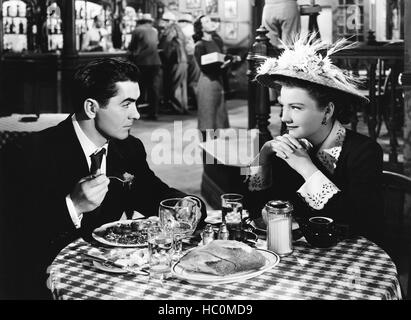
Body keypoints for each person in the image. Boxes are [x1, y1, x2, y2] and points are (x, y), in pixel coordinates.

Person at [0, 58, 206, 299]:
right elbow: (14, 234)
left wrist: (185, 204)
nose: (137, 114)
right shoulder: (31, 152)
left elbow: (152, 193)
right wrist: (73, 205)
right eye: (126, 104)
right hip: (46, 280)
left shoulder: (129, 148)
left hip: (113, 277)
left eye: (136, 103)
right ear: (91, 107)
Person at [244, 34, 384, 244]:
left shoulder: (364, 152)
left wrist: (306, 168)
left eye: (296, 108)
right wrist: (262, 157)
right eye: (283, 106)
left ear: (327, 111)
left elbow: (358, 223)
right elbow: (251, 210)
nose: (284, 117)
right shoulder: (287, 148)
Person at [193, 15, 233, 140]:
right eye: (206, 21)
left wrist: (228, 61)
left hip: (218, 82)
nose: (210, 23)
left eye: (210, 20)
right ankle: (206, 151)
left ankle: (214, 150)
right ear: (201, 27)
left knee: (217, 118)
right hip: (207, 82)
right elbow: (205, 68)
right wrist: (222, 66)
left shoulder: (217, 41)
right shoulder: (200, 45)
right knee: (207, 119)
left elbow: (222, 58)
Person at [128, 13, 162, 120]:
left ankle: (135, 111)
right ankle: (153, 112)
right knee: (153, 88)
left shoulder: (137, 30)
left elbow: (132, 46)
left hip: (142, 62)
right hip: (155, 62)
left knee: (138, 87)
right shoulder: (155, 30)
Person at [159, 11, 189, 115]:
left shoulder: (171, 28)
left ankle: (177, 108)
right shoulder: (178, 28)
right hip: (183, 60)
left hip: (176, 60)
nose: (164, 23)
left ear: (170, 21)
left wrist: (159, 46)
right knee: (182, 85)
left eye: (165, 21)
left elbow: (165, 42)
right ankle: (183, 107)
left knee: (175, 85)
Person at [178, 13, 200, 111]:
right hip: (193, 57)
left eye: (180, 22)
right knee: (194, 82)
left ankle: (197, 104)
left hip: (189, 57)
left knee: (191, 83)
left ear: (184, 22)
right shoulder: (192, 29)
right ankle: (197, 104)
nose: (179, 24)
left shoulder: (185, 30)